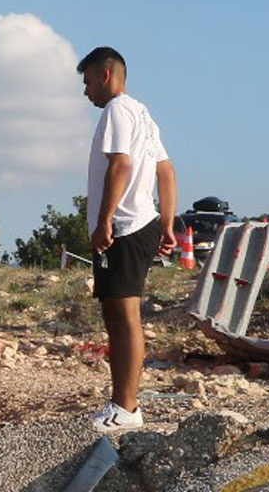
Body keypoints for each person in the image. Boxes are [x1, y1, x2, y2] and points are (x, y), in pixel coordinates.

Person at [77, 46, 176, 433]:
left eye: (87, 83)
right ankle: (123, 405)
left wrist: (104, 221)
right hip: (143, 223)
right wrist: (167, 223)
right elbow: (165, 172)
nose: (85, 92)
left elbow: (120, 165)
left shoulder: (117, 110)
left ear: (106, 75)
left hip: (124, 226)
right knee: (120, 316)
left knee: (122, 318)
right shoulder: (143, 114)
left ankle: (126, 408)